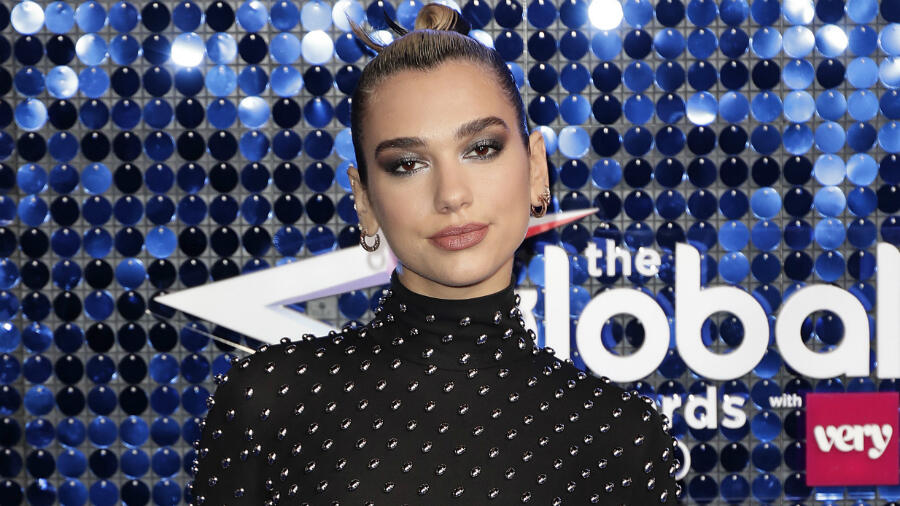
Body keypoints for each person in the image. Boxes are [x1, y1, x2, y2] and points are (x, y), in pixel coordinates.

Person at [188, 3, 682, 504]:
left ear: (536, 167)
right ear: (364, 199)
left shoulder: (623, 438)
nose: (451, 194)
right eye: (407, 164)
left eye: (481, 149)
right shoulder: (268, 401)